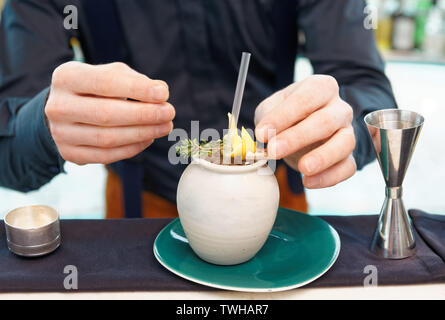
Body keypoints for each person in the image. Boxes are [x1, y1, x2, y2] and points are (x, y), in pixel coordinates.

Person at [0, 0, 396, 218]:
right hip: (138, 214)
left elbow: (370, 92)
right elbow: (10, 142)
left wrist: (339, 128)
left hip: (275, 203)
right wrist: (43, 124)